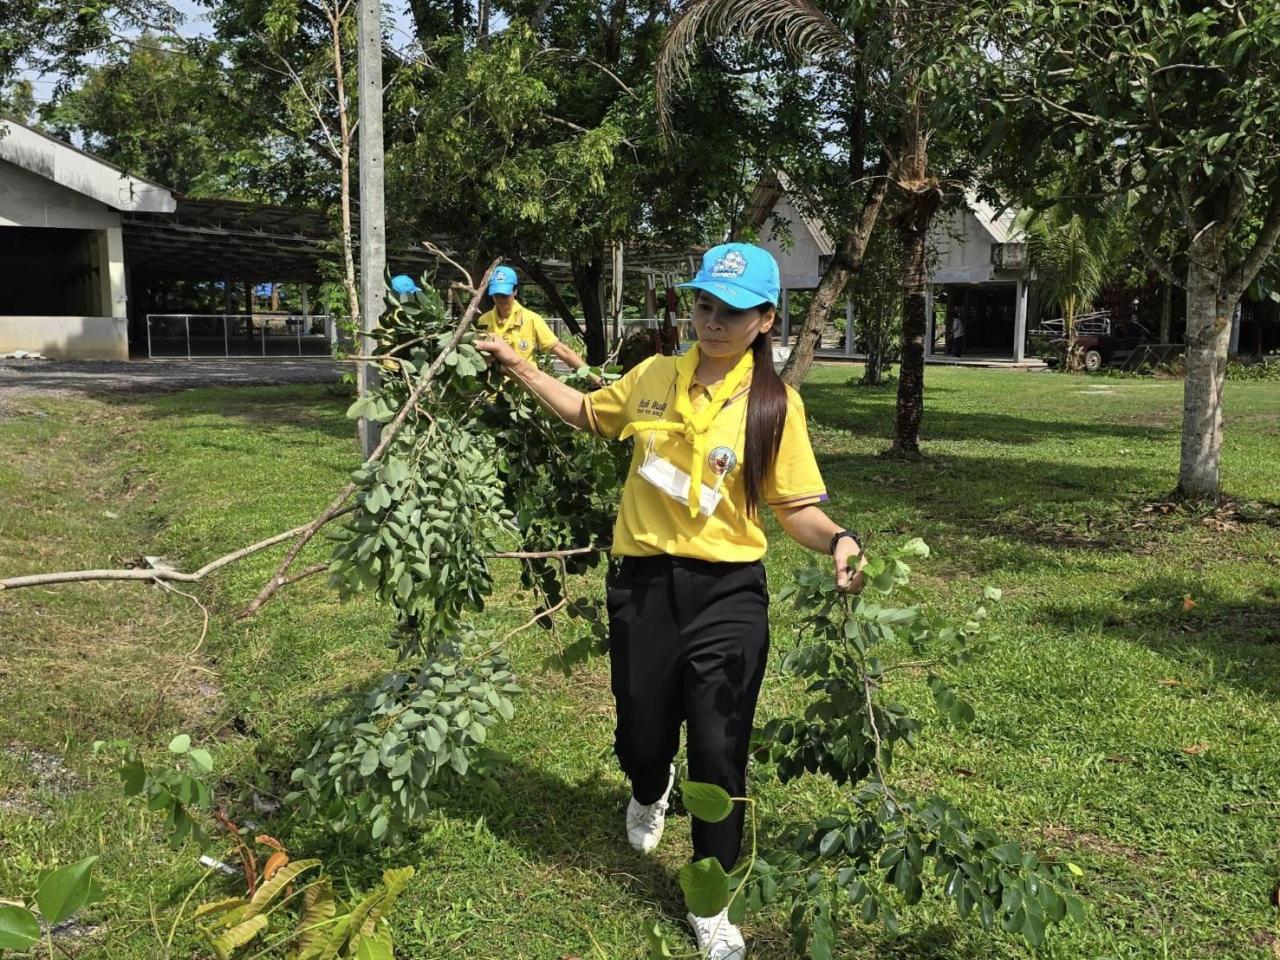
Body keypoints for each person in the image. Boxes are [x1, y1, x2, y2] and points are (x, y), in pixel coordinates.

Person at [476, 243, 865, 960]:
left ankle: (711, 904)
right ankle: (650, 788)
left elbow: (794, 508)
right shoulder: (654, 376)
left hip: (729, 595)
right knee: (642, 731)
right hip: (644, 587)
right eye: (704, 305)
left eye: (732, 311)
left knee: (721, 751)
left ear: (765, 320)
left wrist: (840, 539)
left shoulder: (776, 405)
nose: (712, 321)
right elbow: (589, 413)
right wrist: (524, 366)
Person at [479, 265, 597, 378]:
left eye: (504, 295)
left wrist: (592, 375)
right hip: (493, 393)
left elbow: (561, 350)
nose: (500, 299)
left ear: (515, 291)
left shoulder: (531, 319)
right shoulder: (484, 321)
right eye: (496, 295)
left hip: (525, 391)